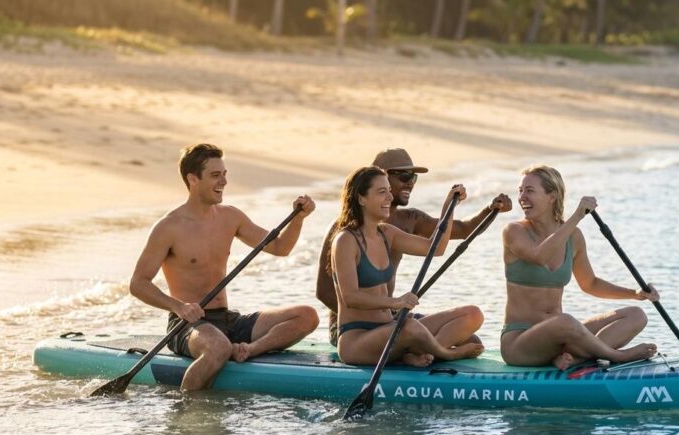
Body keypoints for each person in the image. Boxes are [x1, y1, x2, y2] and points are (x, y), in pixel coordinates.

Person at [129, 143, 319, 391]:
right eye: (215, 175)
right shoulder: (169, 227)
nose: (224, 182)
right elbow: (138, 283)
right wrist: (179, 307)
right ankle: (186, 416)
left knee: (306, 316)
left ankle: (248, 350)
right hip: (187, 325)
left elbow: (280, 248)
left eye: (225, 174)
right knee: (218, 347)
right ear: (193, 179)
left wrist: (298, 219)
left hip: (227, 319)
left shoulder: (231, 217)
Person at [316, 148, 512, 347]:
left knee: (470, 339)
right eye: (403, 176)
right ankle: (417, 351)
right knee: (431, 339)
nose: (410, 182)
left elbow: (462, 230)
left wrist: (490, 209)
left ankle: (417, 352)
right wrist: (377, 316)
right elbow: (323, 292)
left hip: (390, 316)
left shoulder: (408, 220)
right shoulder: (343, 231)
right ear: (381, 175)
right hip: (356, 328)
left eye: (413, 178)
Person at [500, 165, 659, 371]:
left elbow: (590, 283)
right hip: (520, 343)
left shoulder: (573, 237)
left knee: (636, 315)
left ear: (552, 196)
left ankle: (575, 359)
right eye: (520, 190)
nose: (522, 197)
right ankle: (616, 356)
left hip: (560, 339)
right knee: (564, 322)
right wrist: (577, 216)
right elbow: (539, 256)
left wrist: (635, 294)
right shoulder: (514, 231)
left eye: (529, 191)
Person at [330, 166, 485, 367]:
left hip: (390, 328)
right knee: (411, 327)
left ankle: (413, 354)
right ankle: (446, 354)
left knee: (472, 315)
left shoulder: (386, 233)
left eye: (389, 190)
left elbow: (435, 248)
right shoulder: (345, 240)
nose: (389, 197)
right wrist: (396, 302)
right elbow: (350, 297)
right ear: (361, 199)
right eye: (381, 192)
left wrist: (449, 207)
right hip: (358, 340)